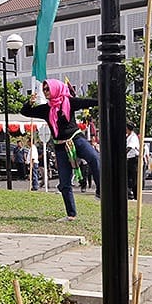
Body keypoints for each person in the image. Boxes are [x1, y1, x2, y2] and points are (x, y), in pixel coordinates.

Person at [21, 79, 101, 220]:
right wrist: (30, 102)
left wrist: (107, 98)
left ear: (56, 88)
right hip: (60, 146)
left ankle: (100, 191)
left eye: (48, 89)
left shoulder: (69, 102)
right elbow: (25, 112)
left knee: (94, 158)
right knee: (64, 183)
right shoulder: (46, 109)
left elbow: (89, 102)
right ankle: (71, 214)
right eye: (44, 89)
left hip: (76, 139)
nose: (46, 92)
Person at [125, 121, 140, 200]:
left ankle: (135, 195)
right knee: (127, 177)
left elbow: (129, 148)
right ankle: (128, 193)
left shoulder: (133, 137)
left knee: (133, 178)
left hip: (133, 159)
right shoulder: (128, 136)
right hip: (129, 159)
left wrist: (122, 155)